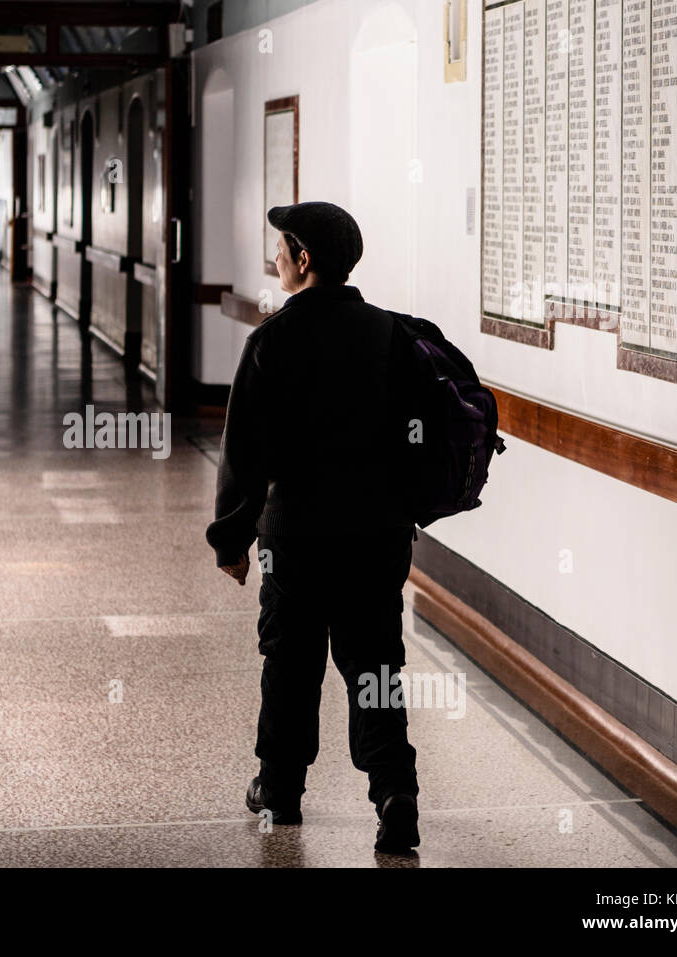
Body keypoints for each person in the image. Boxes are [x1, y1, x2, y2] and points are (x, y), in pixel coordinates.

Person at [206, 201, 421, 854]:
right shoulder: (392, 335)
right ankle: (395, 793)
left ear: (304, 260)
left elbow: (245, 454)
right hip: (375, 539)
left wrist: (231, 540)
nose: (274, 256)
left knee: (290, 663)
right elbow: (414, 440)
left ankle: (279, 789)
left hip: (295, 540)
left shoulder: (272, 342)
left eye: (281, 246)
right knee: (375, 664)